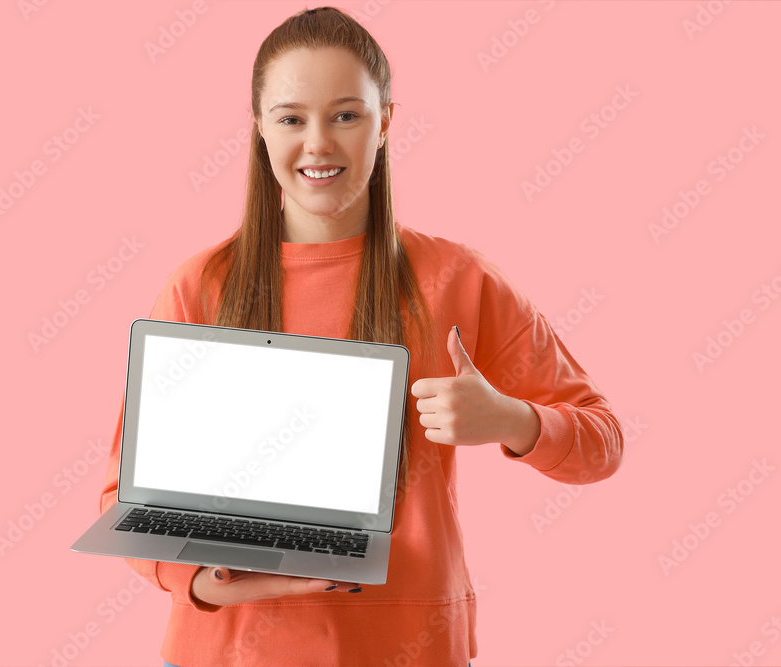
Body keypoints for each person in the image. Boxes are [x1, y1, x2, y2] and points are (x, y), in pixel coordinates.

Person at [98, 7, 623, 666]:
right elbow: (124, 495)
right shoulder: (200, 285)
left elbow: (601, 440)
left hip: (409, 645)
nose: (318, 144)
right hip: (228, 652)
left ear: (386, 123)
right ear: (259, 129)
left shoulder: (458, 278)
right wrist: (203, 583)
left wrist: (510, 419)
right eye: (291, 118)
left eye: (346, 115)